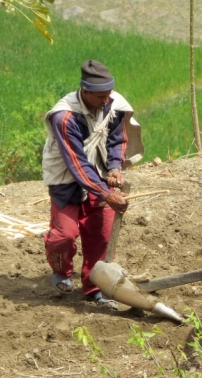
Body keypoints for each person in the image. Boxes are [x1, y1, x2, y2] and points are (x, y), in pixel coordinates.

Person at [42, 60, 143, 310]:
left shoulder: (114, 104)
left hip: (99, 177)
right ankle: (62, 270)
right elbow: (77, 164)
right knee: (63, 235)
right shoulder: (64, 117)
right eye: (100, 96)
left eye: (108, 95)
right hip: (66, 177)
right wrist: (107, 193)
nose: (106, 101)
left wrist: (115, 168)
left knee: (101, 235)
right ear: (84, 91)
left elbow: (117, 138)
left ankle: (95, 286)